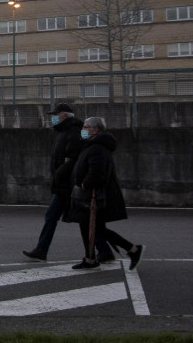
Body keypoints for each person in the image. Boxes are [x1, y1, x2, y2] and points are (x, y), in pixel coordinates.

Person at [22, 103, 115, 262]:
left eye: (55, 115)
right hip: (66, 184)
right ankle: (104, 250)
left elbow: (72, 159)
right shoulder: (64, 132)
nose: (53, 118)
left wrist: (59, 173)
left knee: (56, 217)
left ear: (64, 116)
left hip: (67, 185)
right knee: (80, 219)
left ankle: (42, 250)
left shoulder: (72, 133)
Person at [67, 116, 145, 270]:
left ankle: (133, 249)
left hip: (92, 196)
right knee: (90, 227)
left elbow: (98, 173)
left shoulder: (97, 148)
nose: (83, 130)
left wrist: (84, 183)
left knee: (94, 228)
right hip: (89, 196)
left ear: (95, 130)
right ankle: (90, 258)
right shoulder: (93, 145)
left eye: (86, 127)